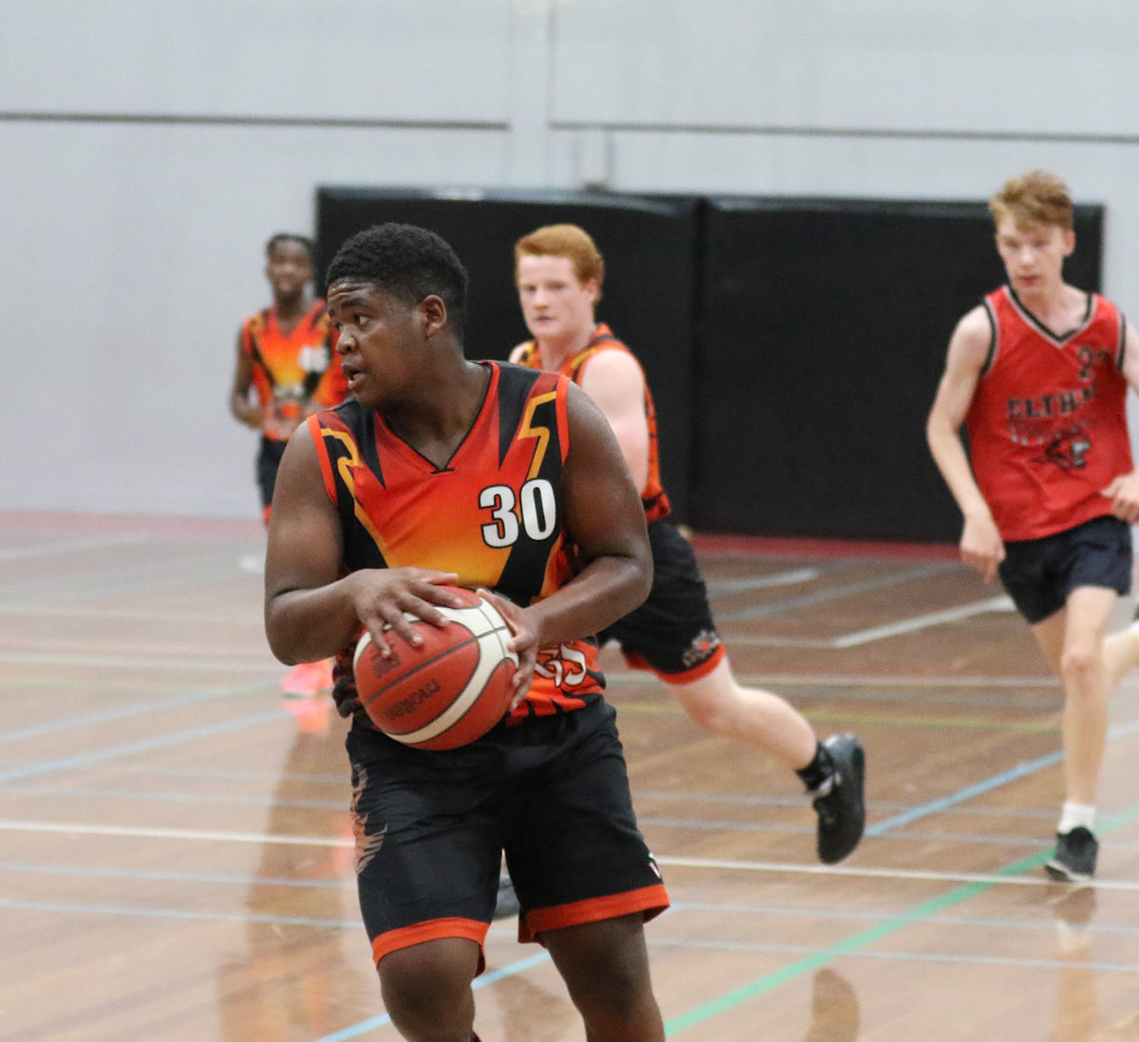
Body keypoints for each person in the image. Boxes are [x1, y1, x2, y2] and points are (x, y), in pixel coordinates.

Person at [264, 223, 668, 1042]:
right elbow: (285, 625)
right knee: (421, 977)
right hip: (411, 748)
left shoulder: (552, 412)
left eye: (361, 319)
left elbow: (630, 563)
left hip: (560, 732)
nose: (342, 342)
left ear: (430, 315)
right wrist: (356, 589)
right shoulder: (326, 448)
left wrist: (538, 624)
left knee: (610, 971)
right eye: (336, 324)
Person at [510, 224, 867, 866]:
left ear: (590, 287)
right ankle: (530, 855)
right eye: (529, 287)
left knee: (716, 708)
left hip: (635, 557)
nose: (540, 301)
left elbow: (618, 480)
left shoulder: (608, 367)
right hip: (566, 558)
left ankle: (825, 769)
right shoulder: (522, 361)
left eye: (556, 286)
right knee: (533, 699)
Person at [925, 171, 1139, 883]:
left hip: (1097, 513)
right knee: (1081, 674)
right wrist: (976, 511)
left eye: (1039, 244)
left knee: (1078, 662)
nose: (1025, 258)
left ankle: (1078, 827)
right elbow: (941, 427)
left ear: (1068, 243)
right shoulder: (981, 330)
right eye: (1012, 244)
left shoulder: (1105, 325)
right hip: (1018, 531)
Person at [230, 232, 346, 698]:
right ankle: (313, 659)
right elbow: (238, 397)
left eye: (297, 263)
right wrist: (256, 416)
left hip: (325, 449)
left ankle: (330, 655)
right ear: (267, 268)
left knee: (327, 555)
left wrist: (328, 413)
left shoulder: (331, 325)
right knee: (292, 559)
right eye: (280, 262)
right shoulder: (253, 330)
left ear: (310, 271)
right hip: (275, 455)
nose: (288, 271)